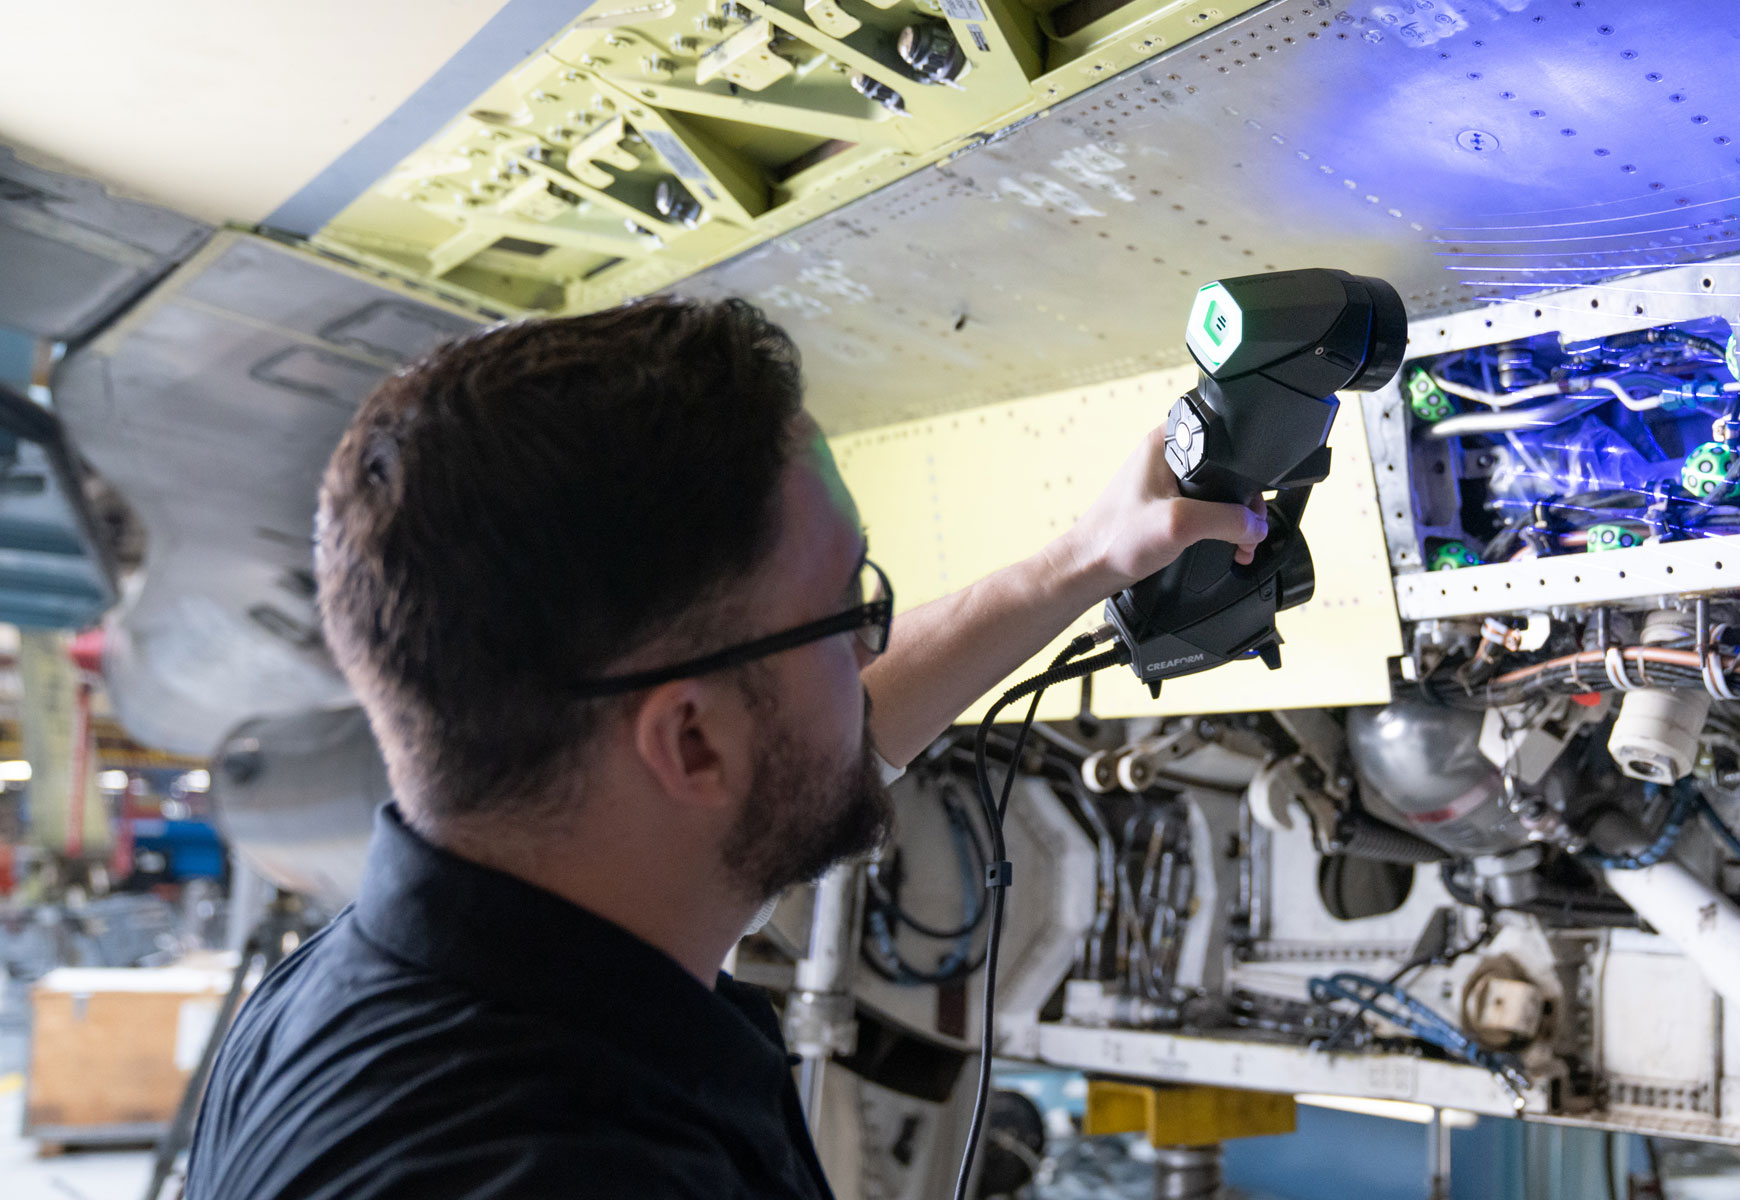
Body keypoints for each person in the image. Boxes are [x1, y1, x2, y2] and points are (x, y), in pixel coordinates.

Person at [183, 297, 1268, 1199]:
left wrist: (1078, 563)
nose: (869, 647)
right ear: (689, 743)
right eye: (849, 612)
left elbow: (810, 735)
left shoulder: (347, 997)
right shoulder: (574, 1167)